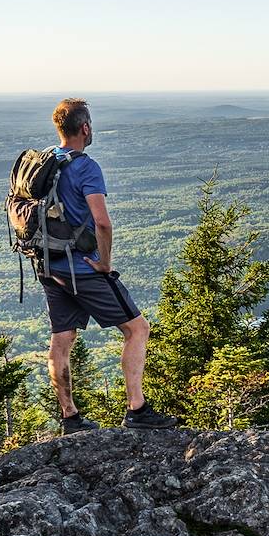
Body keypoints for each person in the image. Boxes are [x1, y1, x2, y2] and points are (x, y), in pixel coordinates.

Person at [41, 97, 177, 433]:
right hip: (82, 268)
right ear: (85, 128)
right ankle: (137, 410)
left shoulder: (45, 162)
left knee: (61, 338)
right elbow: (102, 222)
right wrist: (104, 263)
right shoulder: (85, 167)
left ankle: (70, 418)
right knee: (137, 329)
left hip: (49, 264)